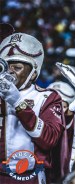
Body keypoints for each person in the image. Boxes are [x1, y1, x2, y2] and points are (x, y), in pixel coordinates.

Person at [0, 32, 67, 183]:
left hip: (28, 176)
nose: (9, 72)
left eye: (17, 67)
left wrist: (18, 103)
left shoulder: (47, 97)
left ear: (32, 74)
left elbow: (49, 139)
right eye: (6, 66)